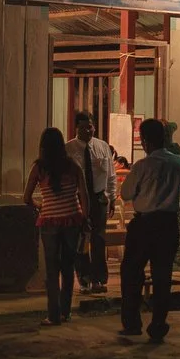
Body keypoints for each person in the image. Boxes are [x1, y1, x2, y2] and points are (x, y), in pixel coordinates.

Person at [118, 118, 180, 344]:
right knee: (162, 275)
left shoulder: (142, 166)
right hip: (168, 223)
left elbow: (126, 194)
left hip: (145, 223)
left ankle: (132, 323)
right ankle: (158, 324)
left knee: (131, 273)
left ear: (145, 141)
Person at [22, 127, 89, 327]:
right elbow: (84, 195)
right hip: (71, 220)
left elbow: (26, 198)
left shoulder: (39, 168)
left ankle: (53, 315)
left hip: (49, 220)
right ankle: (66, 312)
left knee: (52, 269)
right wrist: (84, 218)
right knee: (68, 267)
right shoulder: (73, 165)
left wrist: (40, 205)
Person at [65, 111, 114, 294]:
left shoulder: (102, 147)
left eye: (91, 126)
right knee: (81, 239)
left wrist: (111, 197)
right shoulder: (68, 149)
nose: (88, 130)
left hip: (99, 196)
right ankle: (84, 279)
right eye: (84, 127)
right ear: (76, 127)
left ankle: (99, 279)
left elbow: (110, 175)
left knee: (99, 238)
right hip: (78, 198)